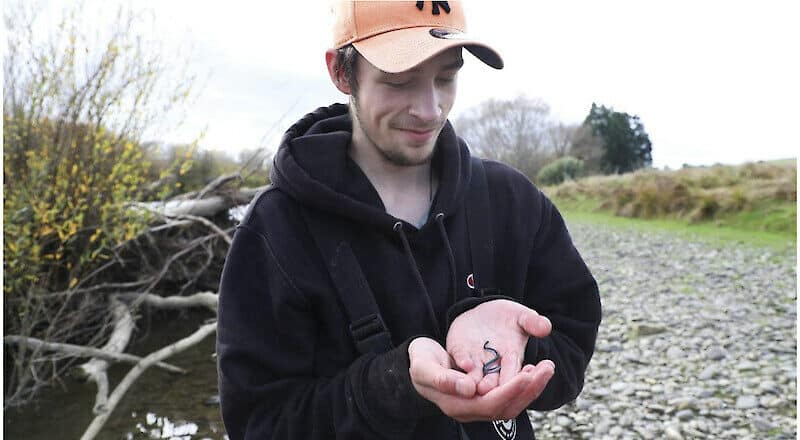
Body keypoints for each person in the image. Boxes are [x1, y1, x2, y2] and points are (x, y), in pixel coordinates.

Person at [216, 1, 601, 439]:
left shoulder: (511, 201)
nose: (430, 108)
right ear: (342, 73)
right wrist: (393, 383)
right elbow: (259, 423)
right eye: (400, 80)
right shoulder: (277, 230)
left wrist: (513, 352)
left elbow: (572, 341)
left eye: (446, 76)